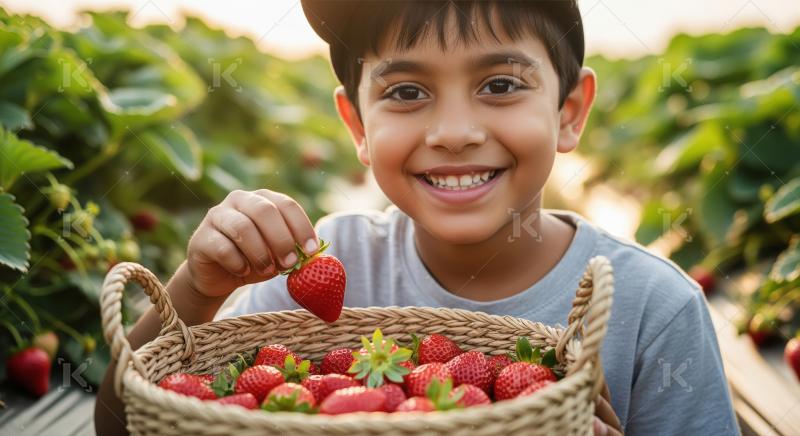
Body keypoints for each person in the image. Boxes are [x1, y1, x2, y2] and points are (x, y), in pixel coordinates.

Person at [95, 1, 739, 434]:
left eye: (501, 85)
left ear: (570, 111)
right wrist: (199, 290)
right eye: (407, 92)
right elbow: (121, 424)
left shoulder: (652, 311)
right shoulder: (320, 264)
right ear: (357, 126)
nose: (454, 133)